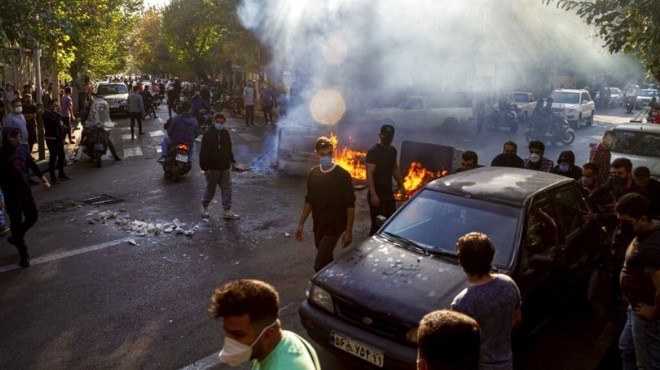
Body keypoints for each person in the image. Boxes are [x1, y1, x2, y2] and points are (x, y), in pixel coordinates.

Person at [208, 279, 320, 369]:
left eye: (238, 335)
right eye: (227, 332)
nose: (229, 340)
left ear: (267, 335)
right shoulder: (286, 338)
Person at [451, 232, 522, 370]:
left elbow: (463, 347)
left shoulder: (462, 303)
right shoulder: (509, 283)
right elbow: (517, 319)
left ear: (462, 262)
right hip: (507, 363)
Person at [296, 136, 355, 272]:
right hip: (319, 225)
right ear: (316, 154)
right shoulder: (313, 174)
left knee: (319, 265)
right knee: (327, 261)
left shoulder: (343, 175)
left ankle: (319, 292)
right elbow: (309, 200)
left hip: (335, 226)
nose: (326, 157)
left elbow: (350, 205)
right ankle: (336, 288)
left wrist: (349, 231)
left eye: (329, 154)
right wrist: (301, 224)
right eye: (323, 154)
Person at [614, 193, 660, 369]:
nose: (622, 227)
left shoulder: (650, 248)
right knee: (626, 349)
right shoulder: (650, 229)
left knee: (647, 364)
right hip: (635, 309)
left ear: (642, 219)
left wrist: (655, 312)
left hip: (647, 318)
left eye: (627, 223)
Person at [0, 128, 51, 267]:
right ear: (6, 138)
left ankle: (17, 237)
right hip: (11, 196)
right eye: (13, 136)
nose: (17, 138)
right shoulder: (2, 154)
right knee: (15, 223)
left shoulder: (22, 150)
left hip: (26, 192)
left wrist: (43, 179)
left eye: (18, 136)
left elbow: (32, 165)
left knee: (32, 216)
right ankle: (24, 254)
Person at [366, 124, 405, 236]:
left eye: (391, 136)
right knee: (376, 226)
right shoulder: (373, 152)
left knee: (390, 224)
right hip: (377, 195)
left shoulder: (392, 150)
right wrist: (373, 194)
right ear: (380, 135)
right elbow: (369, 174)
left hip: (388, 194)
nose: (388, 138)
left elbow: (395, 168)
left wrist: (401, 184)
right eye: (386, 135)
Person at [199, 113, 239, 220]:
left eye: (222, 123)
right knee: (211, 189)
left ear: (224, 122)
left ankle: (227, 210)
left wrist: (232, 161)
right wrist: (205, 168)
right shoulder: (208, 134)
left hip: (224, 167)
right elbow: (203, 152)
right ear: (214, 121)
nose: (220, 124)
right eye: (218, 122)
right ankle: (204, 206)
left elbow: (228, 148)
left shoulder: (225, 133)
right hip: (212, 168)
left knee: (227, 189)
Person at [43, 99, 70, 183]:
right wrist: (58, 112)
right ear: (50, 105)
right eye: (55, 105)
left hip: (58, 139)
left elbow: (60, 118)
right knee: (53, 158)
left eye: (56, 105)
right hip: (51, 139)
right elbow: (56, 121)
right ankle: (53, 178)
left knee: (61, 156)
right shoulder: (46, 114)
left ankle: (61, 174)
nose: (56, 107)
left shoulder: (54, 113)